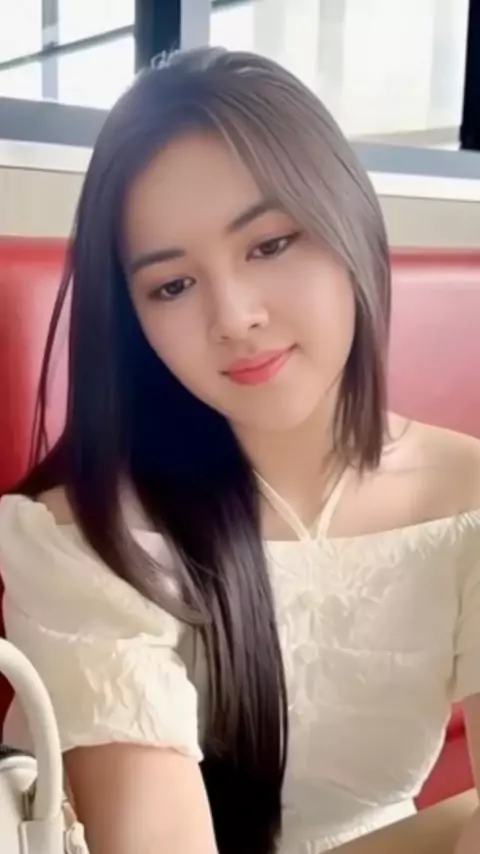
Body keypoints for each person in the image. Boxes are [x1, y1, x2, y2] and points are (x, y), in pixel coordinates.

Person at [0, 47, 479, 854]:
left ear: (349, 221)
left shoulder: (466, 494)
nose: (233, 317)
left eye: (269, 244)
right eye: (172, 286)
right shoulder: (87, 532)